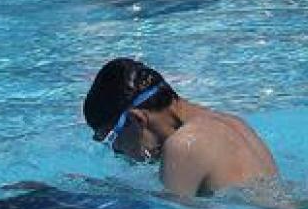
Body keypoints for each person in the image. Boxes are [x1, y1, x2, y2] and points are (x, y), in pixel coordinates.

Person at [83, 57, 281, 199]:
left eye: (111, 137)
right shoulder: (232, 123)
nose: (117, 152)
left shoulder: (183, 146)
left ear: (137, 120)